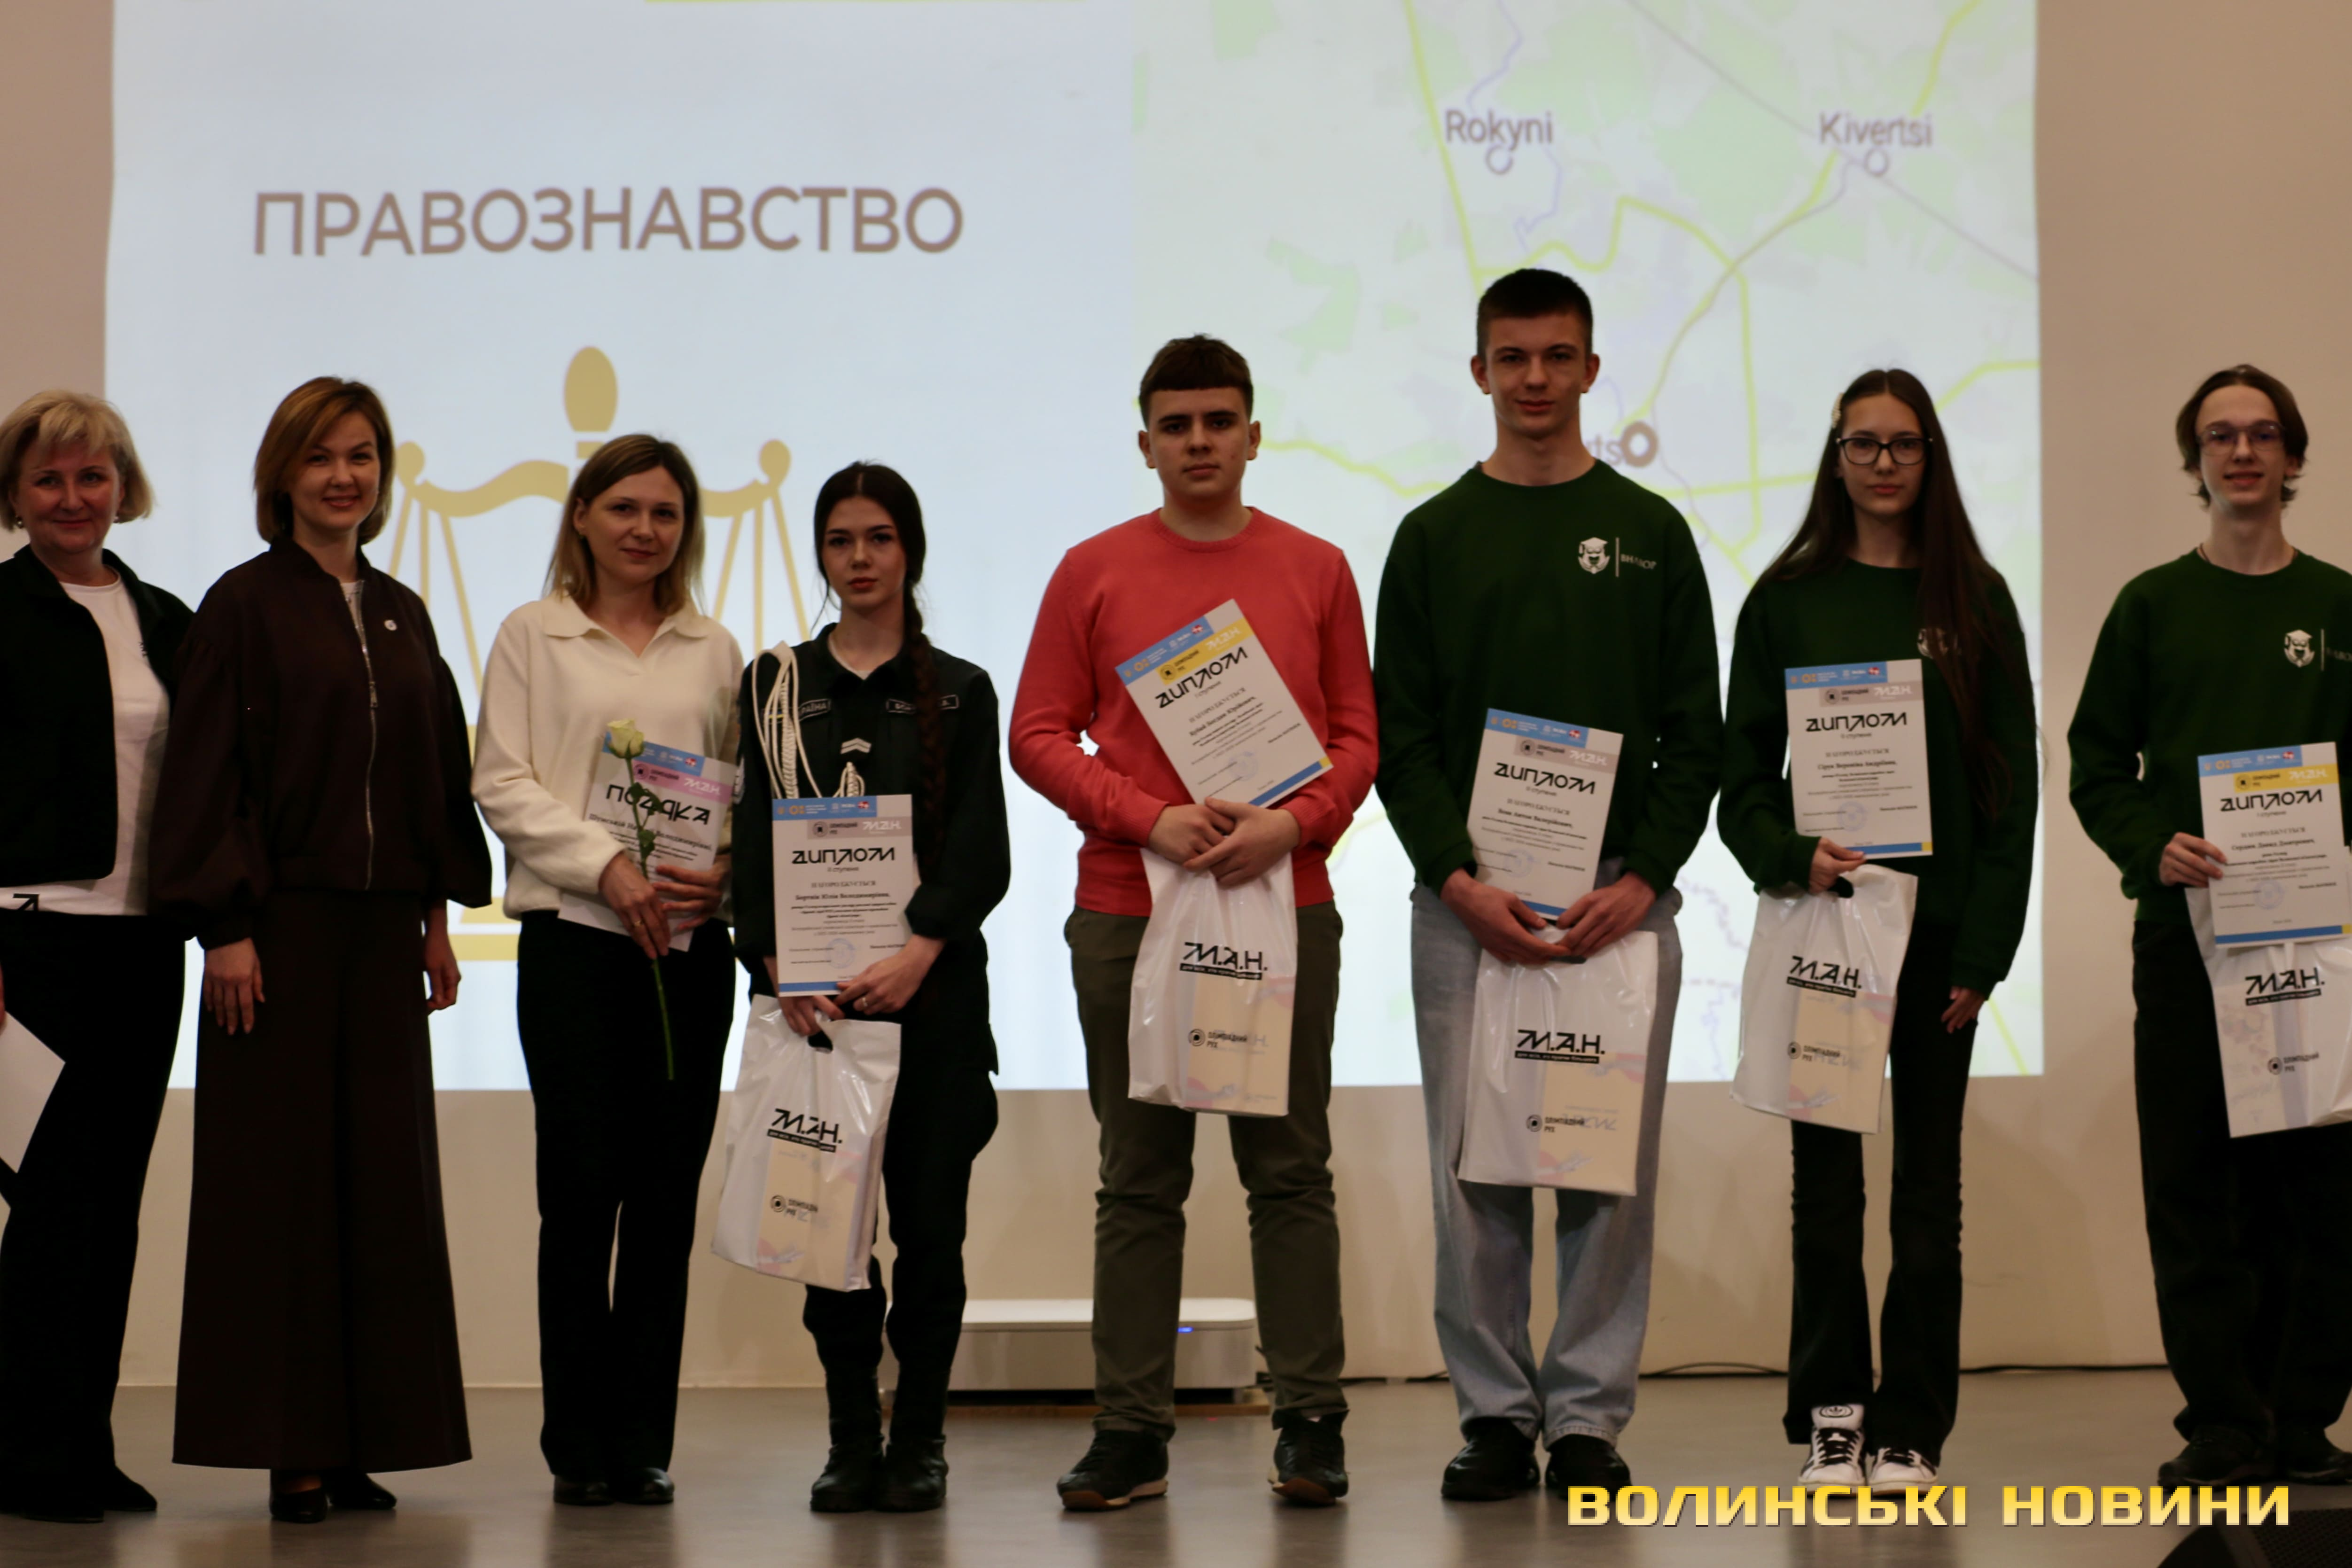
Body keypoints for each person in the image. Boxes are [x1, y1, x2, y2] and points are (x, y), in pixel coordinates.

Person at [1009, 336, 1377, 1511]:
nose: (1200, 441)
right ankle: (1130, 1434)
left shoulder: (1317, 567)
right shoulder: (1092, 570)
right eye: (1177, 424)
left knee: (1290, 1173)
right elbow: (1036, 732)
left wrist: (1297, 823)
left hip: (1283, 903)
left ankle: (1310, 1424)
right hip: (1129, 910)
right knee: (1138, 1180)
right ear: (1145, 444)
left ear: (1254, 435)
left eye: (1220, 421)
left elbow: (1358, 736)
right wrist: (1148, 818)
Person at [1374, 268, 1720, 1502]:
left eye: (1556, 355)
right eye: (1511, 357)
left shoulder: (1651, 533)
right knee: (1472, 1167)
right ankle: (1491, 1415)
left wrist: (1647, 880)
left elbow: (1696, 735)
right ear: (1479, 372)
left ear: (1589, 368)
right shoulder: (1430, 537)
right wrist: (1456, 881)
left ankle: (1583, 1420)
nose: (1534, 378)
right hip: (1466, 909)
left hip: (1616, 907)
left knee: (1602, 1169)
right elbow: (1402, 738)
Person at [150, 377, 491, 1523]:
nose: (344, 476)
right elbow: (206, 772)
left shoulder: (402, 610)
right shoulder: (243, 605)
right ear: (282, 475)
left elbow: (433, 773)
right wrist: (226, 927)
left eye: (362, 456)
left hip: (382, 934)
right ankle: (290, 1449)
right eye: (320, 457)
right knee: (280, 1195)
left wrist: (435, 917)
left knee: (381, 1192)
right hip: (277, 934)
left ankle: (363, 1441)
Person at [1718, 369, 2037, 1488]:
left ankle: (1912, 1426)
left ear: (1929, 456)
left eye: (1903, 444)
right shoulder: (1786, 599)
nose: (1884, 463)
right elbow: (1739, 781)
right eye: (1864, 444)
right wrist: (1788, 851)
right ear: (1836, 456)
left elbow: (2011, 792)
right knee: (1825, 1198)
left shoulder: (1977, 600)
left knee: (1927, 1200)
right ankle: (1833, 1415)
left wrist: (1986, 953)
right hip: (1829, 936)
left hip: (1942, 947)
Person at [2069, 363, 2352, 1489]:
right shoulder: (2150, 605)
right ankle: (2224, 1422)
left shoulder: (2339, 607)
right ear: (2195, 460)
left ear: (2293, 456)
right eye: (2220, 435)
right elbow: (2097, 765)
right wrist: (2152, 845)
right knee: (2194, 1186)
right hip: (2187, 938)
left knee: (2317, 1184)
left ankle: (2301, 1419)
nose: (2241, 452)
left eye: (2262, 434)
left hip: (2318, 944)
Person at [732, 461, 1010, 1513]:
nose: (860, 558)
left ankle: (921, 1439)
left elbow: (982, 852)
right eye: (841, 539)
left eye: (880, 538)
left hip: (934, 1007)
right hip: (818, 1016)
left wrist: (919, 950)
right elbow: (748, 841)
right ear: (820, 553)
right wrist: (775, 963)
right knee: (827, 1236)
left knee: (931, 1238)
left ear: (910, 551)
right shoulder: (773, 687)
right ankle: (852, 1438)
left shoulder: (962, 689)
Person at [472, 435, 741, 1508]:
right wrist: (607, 866)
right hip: (576, 949)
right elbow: (502, 782)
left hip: (688, 953)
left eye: (665, 513)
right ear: (581, 515)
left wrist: (725, 875)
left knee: (665, 1205)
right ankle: (577, 1442)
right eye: (624, 507)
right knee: (581, 1200)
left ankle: (643, 1442)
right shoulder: (532, 635)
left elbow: (744, 791)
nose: (644, 529)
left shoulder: (716, 649)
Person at [0, 392, 191, 1524]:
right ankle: (27, 1454)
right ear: (16, 496)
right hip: (31, 941)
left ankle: (85, 1441)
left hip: (145, 943)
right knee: (49, 1203)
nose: (73, 498)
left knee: (112, 1203)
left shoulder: (166, 618)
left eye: (92, 476)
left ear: (124, 486)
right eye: (49, 479)